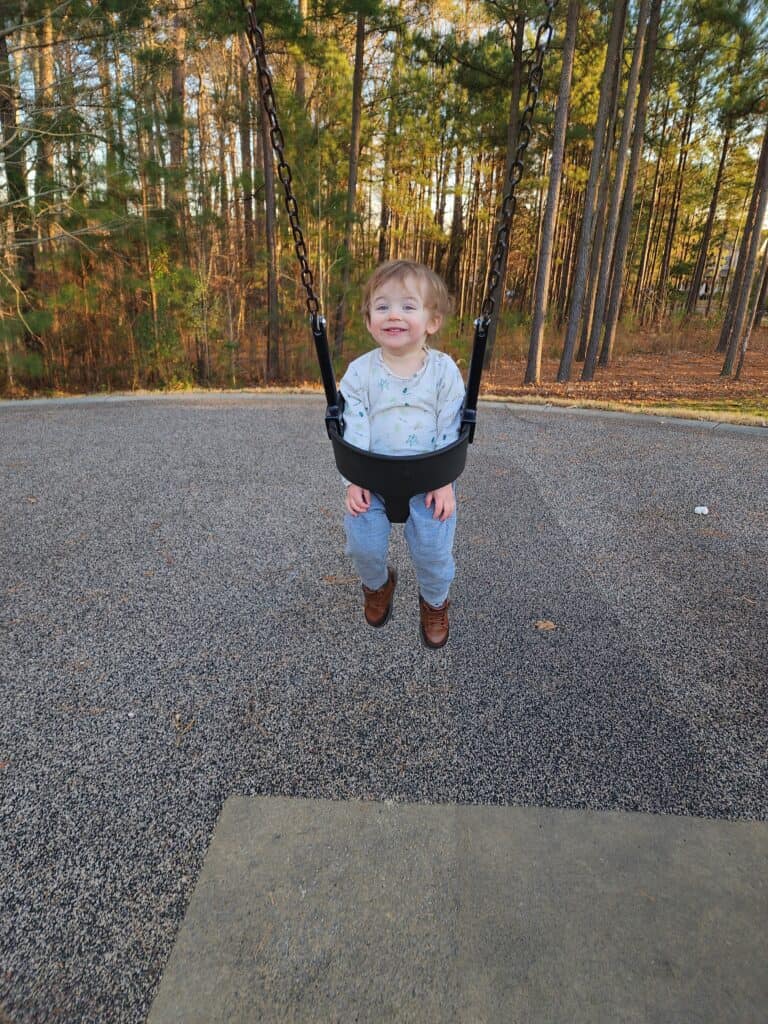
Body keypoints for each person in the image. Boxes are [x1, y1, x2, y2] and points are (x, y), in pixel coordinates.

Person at [339, 259, 465, 649]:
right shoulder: (359, 373)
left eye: (408, 306)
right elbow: (353, 425)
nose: (394, 314)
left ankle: (434, 601)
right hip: (371, 478)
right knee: (364, 544)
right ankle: (378, 586)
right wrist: (353, 479)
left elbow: (451, 426)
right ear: (369, 320)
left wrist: (445, 481)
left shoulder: (444, 372)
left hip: (429, 480)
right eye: (383, 306)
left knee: (432, 550)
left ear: (432, 321)